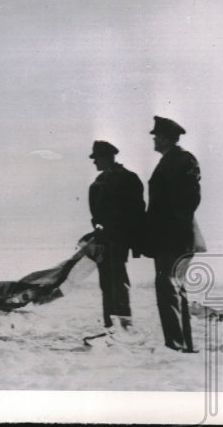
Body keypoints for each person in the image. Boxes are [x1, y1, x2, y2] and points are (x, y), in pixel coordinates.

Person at [145, 116, 207, 353]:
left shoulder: (183, 159)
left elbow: (191, 198)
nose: (154, 139)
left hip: (175, 238)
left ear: (166, 138)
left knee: (168, 287)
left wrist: (171, 225)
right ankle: (182, 344)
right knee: (174, 289)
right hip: (169, 237)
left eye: (157, 136)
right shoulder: (170, 160)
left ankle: (176, 345)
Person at [87, 140, 145, 333]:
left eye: (97, 158)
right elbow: (95, 215)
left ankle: (124, 327)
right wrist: (98, 228)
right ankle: (110, 326)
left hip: (119, 239)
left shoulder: (128, 179)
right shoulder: (97, 184)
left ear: (107, 157)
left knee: (118, 281)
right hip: (103, 242)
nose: (94, 162)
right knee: (107, 283)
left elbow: (137, 211)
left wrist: (125, 235)